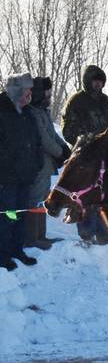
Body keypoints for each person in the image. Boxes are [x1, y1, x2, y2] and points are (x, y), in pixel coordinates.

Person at [61, 65, 108, 242]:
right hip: (87, 158)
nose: (98, 84)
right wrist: (87, 139)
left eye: (100, 81)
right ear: (88, 80)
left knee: (105, 194)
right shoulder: (76, 101)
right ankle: (86, 233)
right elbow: (68, 130)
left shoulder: (107, 102)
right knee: (86, 195)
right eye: (95, 80)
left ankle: (104, 233)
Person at [0, 74, 41, 270]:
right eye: (27, 91)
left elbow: (36, 141)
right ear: (17, 91)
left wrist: (37, 163)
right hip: (7, 179)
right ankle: (3, 254)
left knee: (21, 214)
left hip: (25, 177)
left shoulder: (27, 113)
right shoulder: (2, 111)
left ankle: (17, 249)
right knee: (8, 216)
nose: (30, 95)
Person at [26, 77, 67, 248]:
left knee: (43, 198)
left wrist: (65, 148)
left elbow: (53, 134)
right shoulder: (32, 112)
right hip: (37, 163)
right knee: (34, 199)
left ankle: (41, 235)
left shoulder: (43, 111)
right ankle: (31, 238)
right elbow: (43, 138)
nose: (49, 96)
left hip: (47, 163)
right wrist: (59, 152)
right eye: (47, 92)